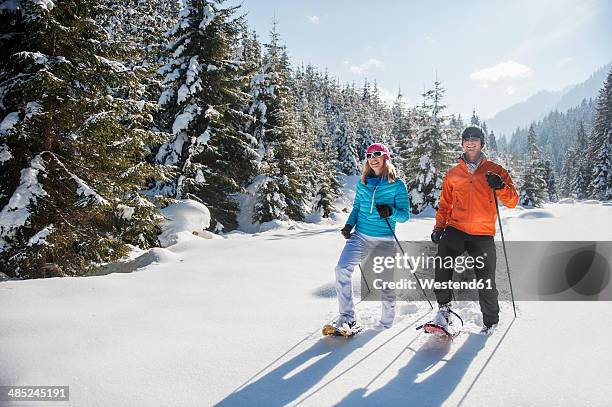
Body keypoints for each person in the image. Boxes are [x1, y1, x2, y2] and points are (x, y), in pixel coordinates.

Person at [430, 126, 518, 334]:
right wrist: (439, 227)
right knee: (442, 264)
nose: (470, 142)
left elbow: (513, 201)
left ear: (482, 143)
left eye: (475, 139)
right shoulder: (453, 174)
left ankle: (491, 322)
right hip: (456, 228)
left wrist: (501, 186)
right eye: (466, 139)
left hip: (483, 233)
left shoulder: (495, 170)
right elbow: (445, 204)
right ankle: (443, 311)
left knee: (486, 279)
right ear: (462, 143)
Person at [334, 143, 410, 332]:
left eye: (377, 154)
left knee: (385, 282)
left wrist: (390, 211)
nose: (373, 158)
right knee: (342, 269)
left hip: (384, 239)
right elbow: (358, 207)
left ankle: (386, 324)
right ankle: (347, 318)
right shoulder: (363, 182)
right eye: (369, 155)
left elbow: (405, 216)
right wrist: (349, 225)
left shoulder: (397, 185)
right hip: (360, 236)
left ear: (385, 157)